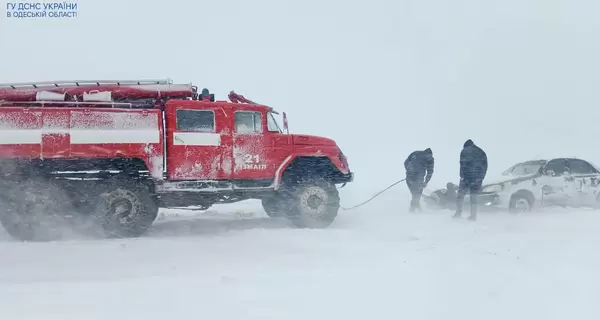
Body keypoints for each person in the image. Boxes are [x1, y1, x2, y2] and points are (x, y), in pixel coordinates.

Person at [454, 139, 488, 220]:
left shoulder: (464, 151)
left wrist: (462, 175)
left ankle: (458, 212)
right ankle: (473, 216)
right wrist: (481, 178)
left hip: (466, 177)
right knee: (473, 197)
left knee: (460, 196)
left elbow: (463, 164)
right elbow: (485, 166)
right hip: (477, 178)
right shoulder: (481, 152)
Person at [404, 148, 434, 212]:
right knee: (416, 194)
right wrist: (426, 181)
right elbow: (430, 171)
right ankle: (413, 210)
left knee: (415, 194)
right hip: (419, 178)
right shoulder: (430, 158)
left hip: (409, 177)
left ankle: (416, 207)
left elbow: (405, 162)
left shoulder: (415, 153)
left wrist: (409, 171)